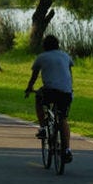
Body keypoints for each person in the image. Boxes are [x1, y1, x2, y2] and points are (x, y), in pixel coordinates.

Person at [24, 34, 75, 163]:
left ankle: (42, 127)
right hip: (66, 92)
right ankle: (67, 149)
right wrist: (70, 88)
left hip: (50, 91)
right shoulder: (66, 56)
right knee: (63, 119)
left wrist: (29, 88)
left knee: (38, 98)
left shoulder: (42, 57)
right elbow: (69, 73)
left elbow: (34, 76)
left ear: (44, 46)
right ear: (58, 45)